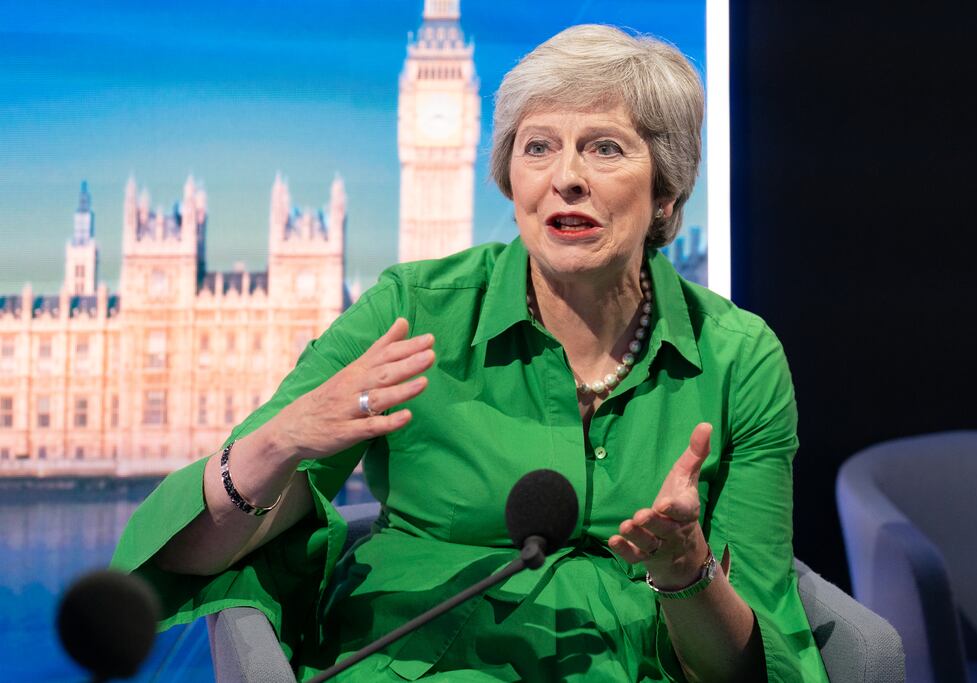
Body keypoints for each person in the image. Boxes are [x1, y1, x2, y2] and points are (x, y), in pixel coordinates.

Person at [113, 24, 829, 682]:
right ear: (510, 179)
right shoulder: (409, 312)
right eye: (538, 146)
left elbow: (756, 661)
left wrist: (686, 572)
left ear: (667, 193)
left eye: (605, 147)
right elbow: (187, 558)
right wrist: (282, 437)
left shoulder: (740, 358)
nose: (566, 176)